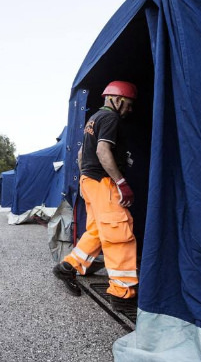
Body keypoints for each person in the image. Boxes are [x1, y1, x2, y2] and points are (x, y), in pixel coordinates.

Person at [53, 80, 139, 309]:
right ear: (117, 100)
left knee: (98, 230)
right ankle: (122, 294)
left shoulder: (93, 119)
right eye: (128, 104)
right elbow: (102, 150)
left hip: (89, 181)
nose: (129, 110)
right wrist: (120, 182)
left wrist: (86, 179)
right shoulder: (111, 118)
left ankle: (67, 267)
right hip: (102, 182)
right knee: (119, 233)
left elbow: (82, 154)